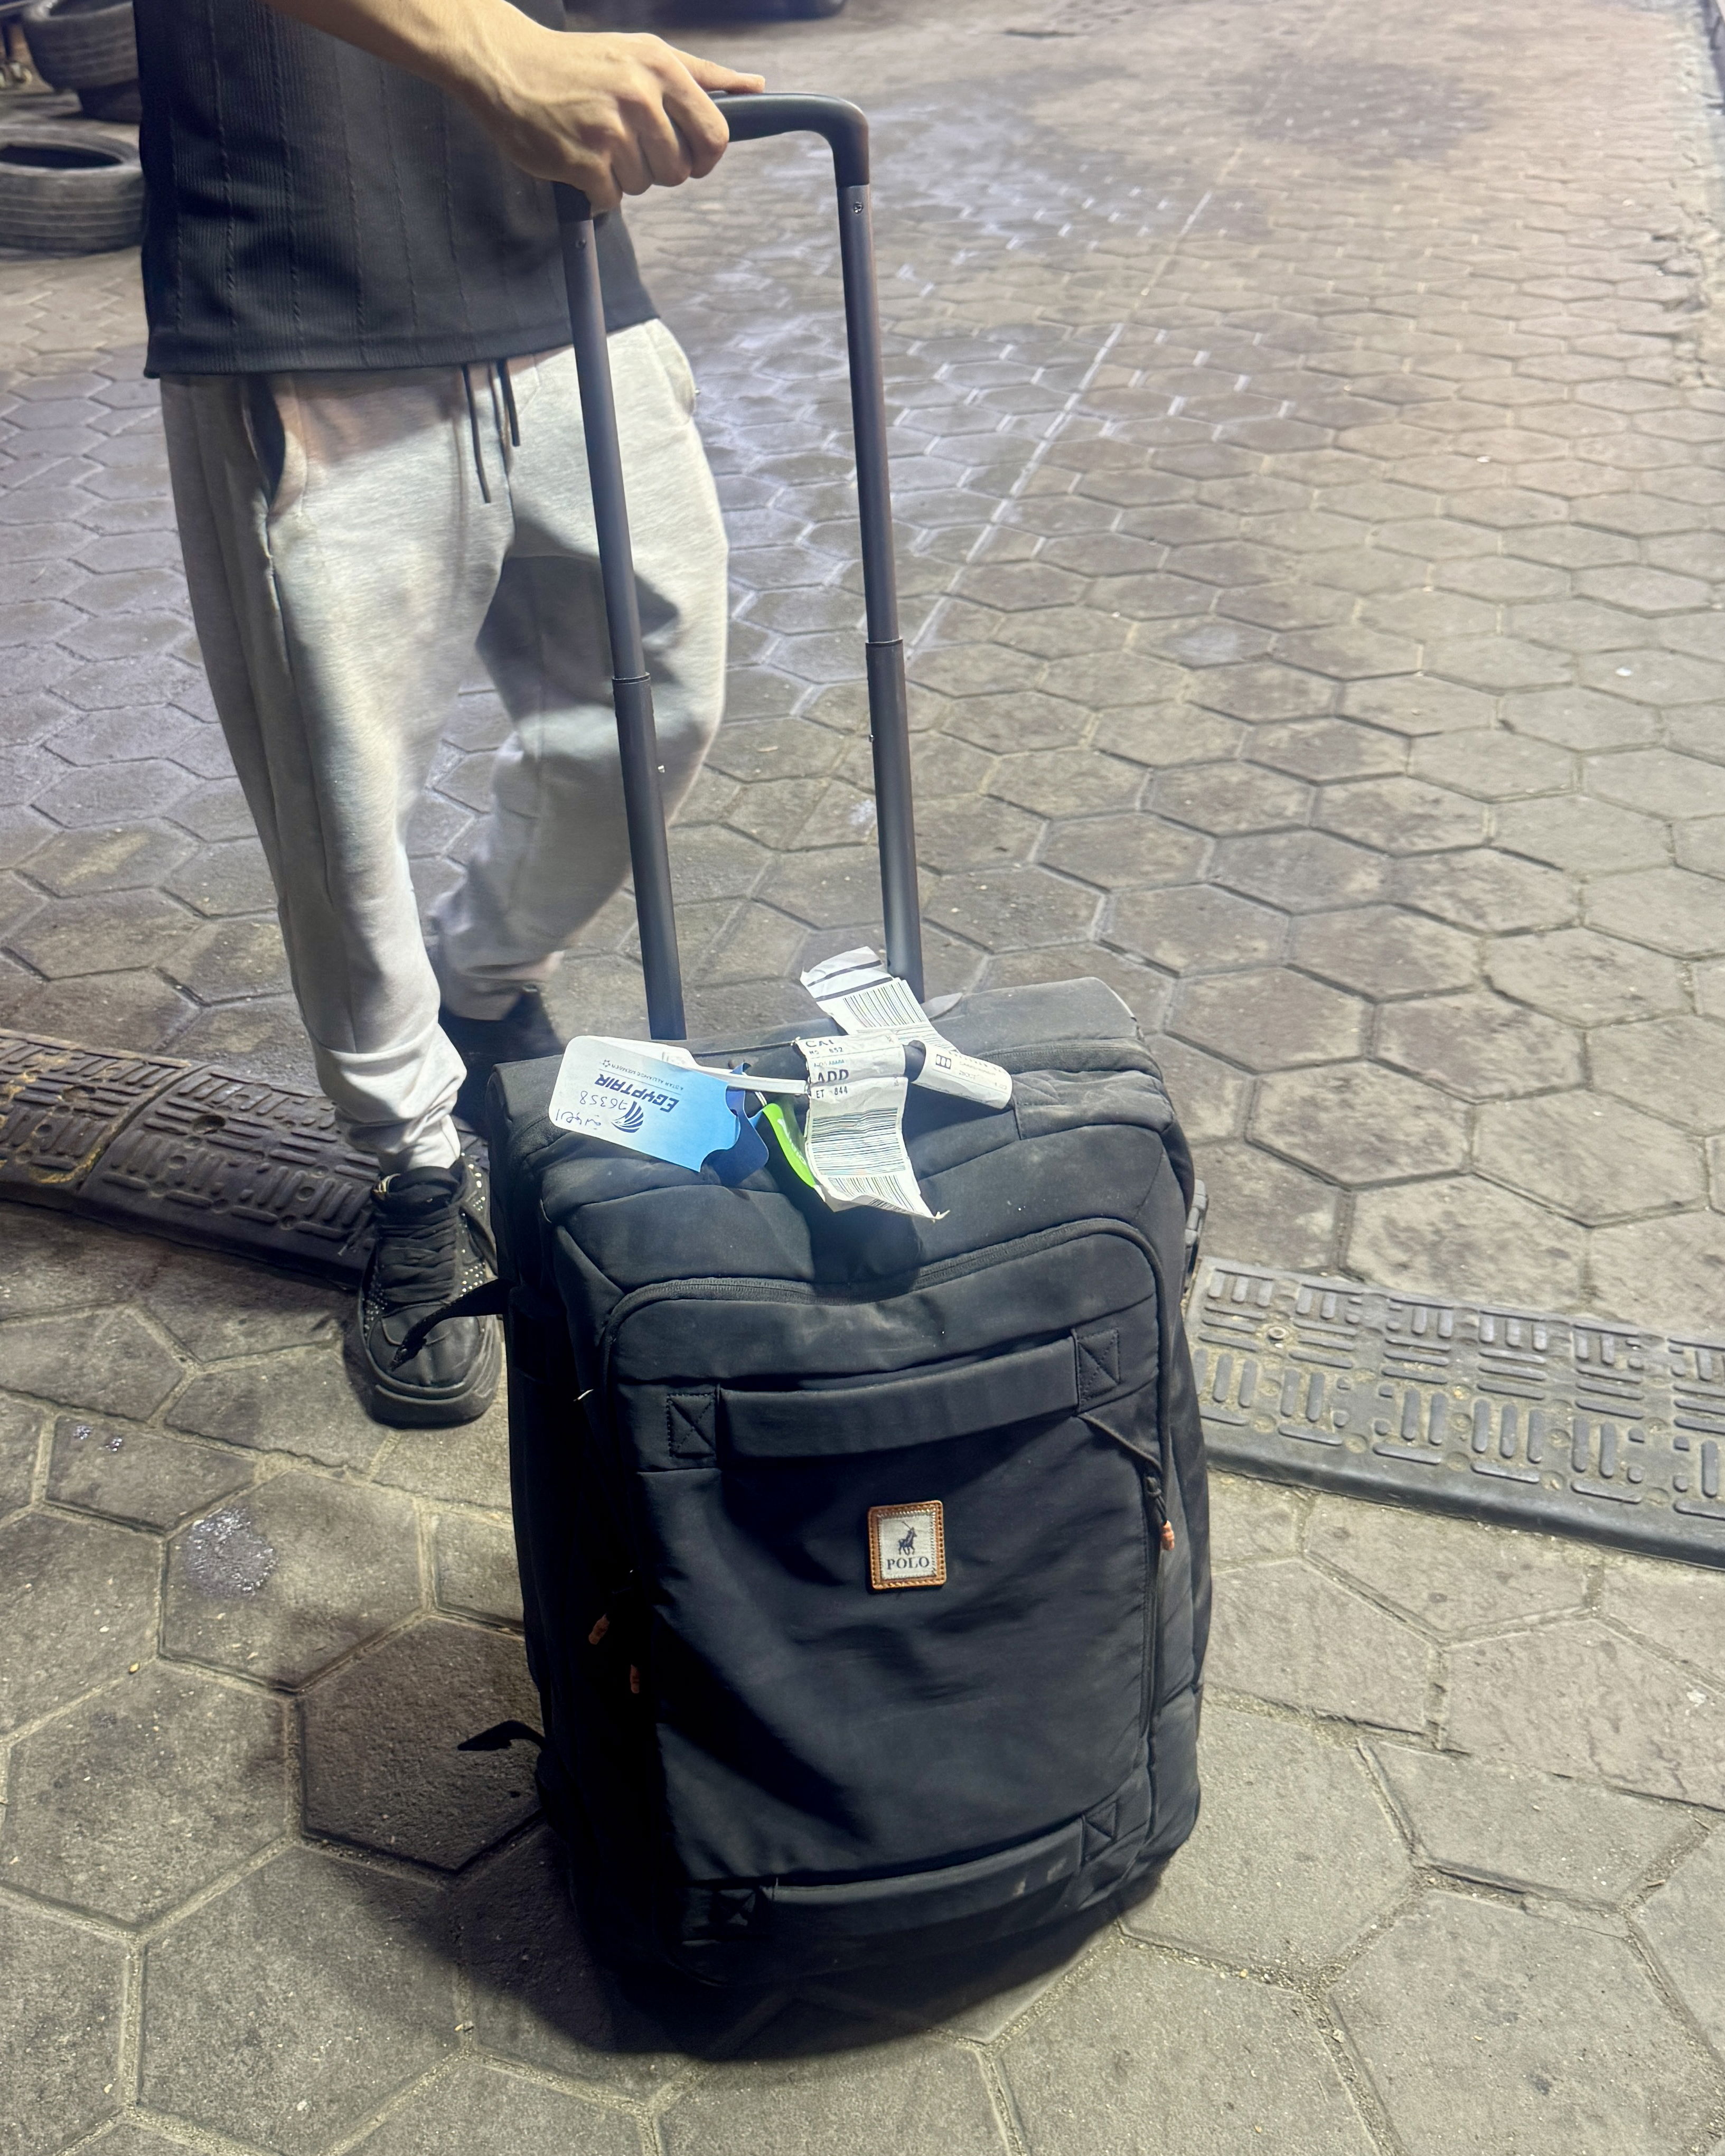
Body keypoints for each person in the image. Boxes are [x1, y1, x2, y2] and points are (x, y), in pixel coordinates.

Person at [133, 2, 763, 1426]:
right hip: (300, 267)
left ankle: (482, 985)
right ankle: (414, 1159)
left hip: (555, 243)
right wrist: (490, 50)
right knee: (341, 799)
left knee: (659, 696)